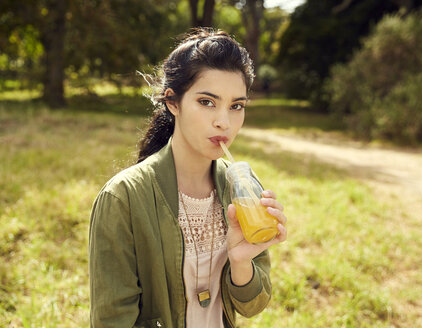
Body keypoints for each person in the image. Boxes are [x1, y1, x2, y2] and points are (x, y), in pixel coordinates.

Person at [89, 28, 287, 328]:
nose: (224, 122)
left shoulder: (242, 189)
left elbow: (253, 306)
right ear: (173, 102)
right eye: (207, 102)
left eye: (236, 106)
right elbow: (112, 320)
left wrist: (241, 260)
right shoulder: (122, 198)